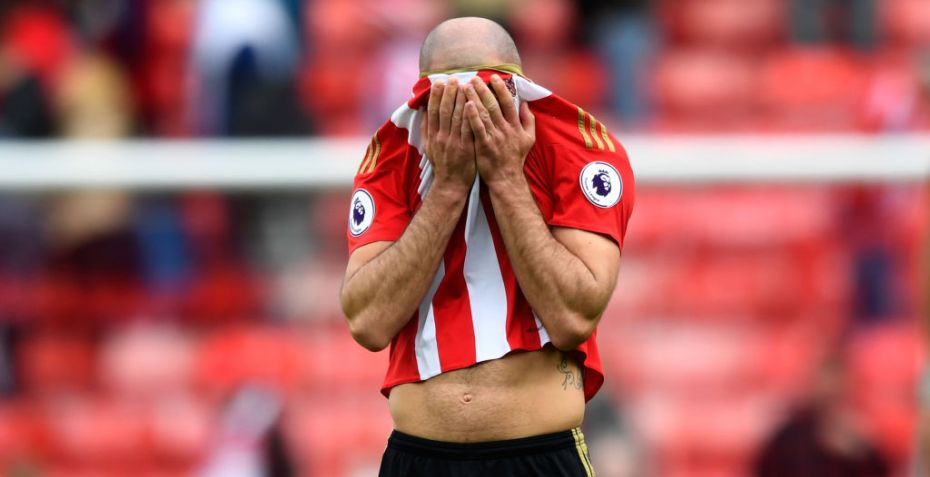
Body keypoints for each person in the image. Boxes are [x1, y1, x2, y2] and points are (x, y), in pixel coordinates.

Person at [340, 17, 635, 476]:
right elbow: (367, 322)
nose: (471, 115)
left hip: (539, 458)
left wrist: (506, 177)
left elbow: (573, 317)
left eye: (488, 97)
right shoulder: (392, 157)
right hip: (418, 457)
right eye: (448, 103)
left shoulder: (580, 150)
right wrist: (447, 189)